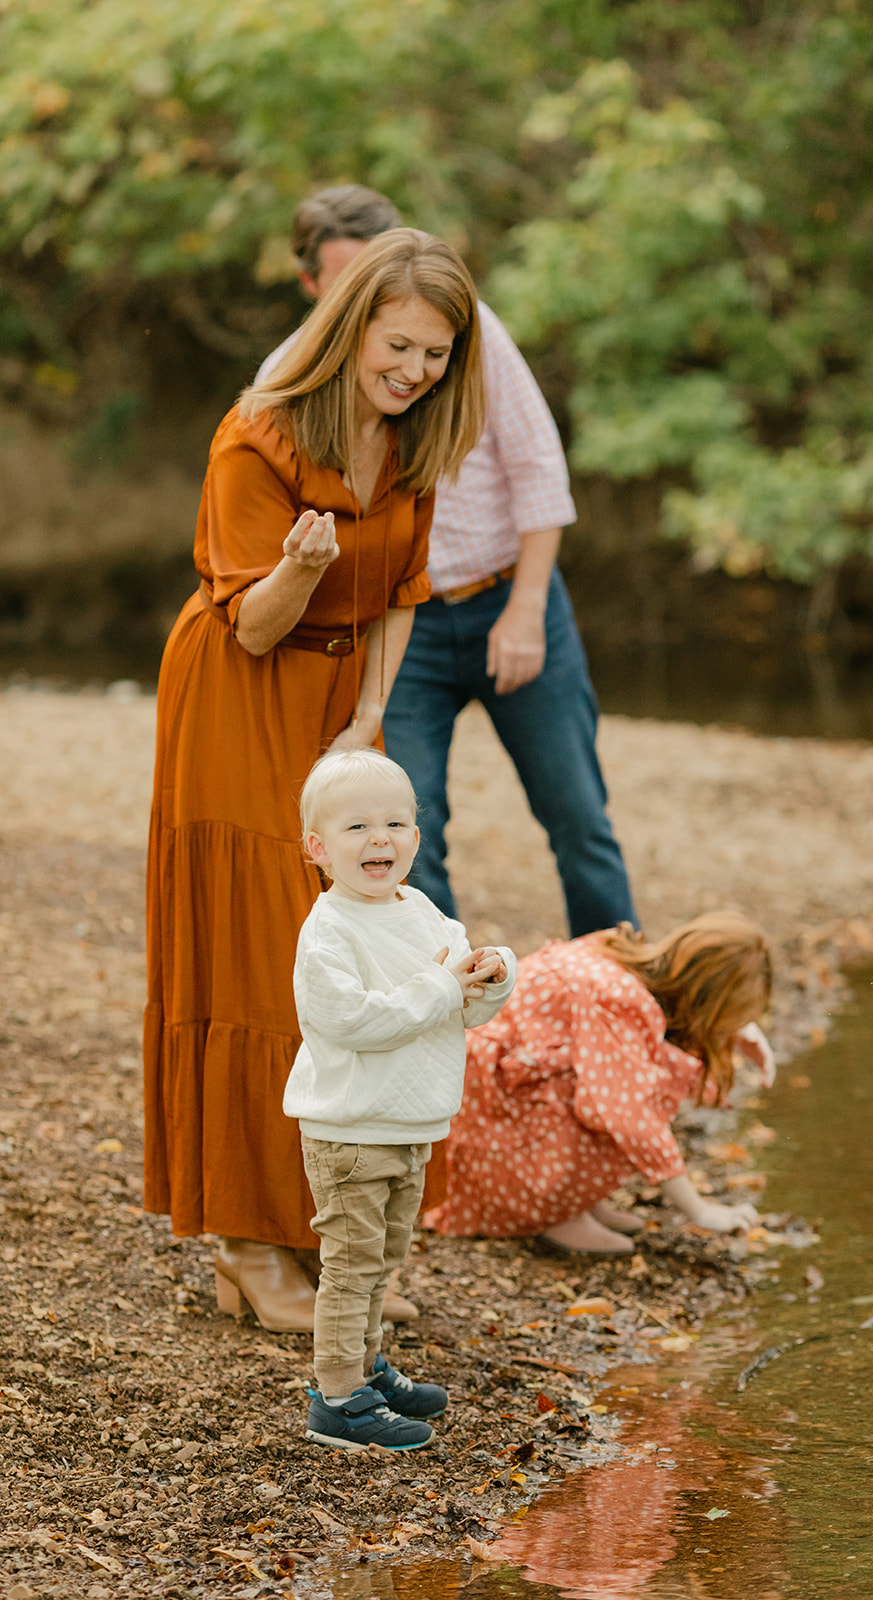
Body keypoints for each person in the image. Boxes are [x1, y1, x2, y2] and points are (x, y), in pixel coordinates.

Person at [143, 228, 485, 1336]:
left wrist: (370, 723)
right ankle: (246, 1243)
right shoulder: (258, 435)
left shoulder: (421, 438)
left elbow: (399, 597)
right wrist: (297, 565)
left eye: (435, 353)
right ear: (349, 331)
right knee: (259, 959)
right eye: (399, 346)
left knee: (354, 936)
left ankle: (309, 1225)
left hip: (341, 708)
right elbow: (249, 625)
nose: (415, 370)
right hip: (241, 700)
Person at [258, 184, 636, 940]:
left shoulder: (465, 333)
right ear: (314, 287)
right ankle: (450, 1005)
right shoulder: (291, 375)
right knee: (404, 827)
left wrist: (527, 610)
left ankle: (625, 996)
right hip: (404, 627)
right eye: (349, 280)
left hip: (509, 596)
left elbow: (537, 469)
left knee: (578, 818)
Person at [283, 748, 516, 1451]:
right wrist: (445, 986)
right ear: (318, 849)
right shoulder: (328, 932)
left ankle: (365, 1365)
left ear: (417, 836)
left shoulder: (422, 913)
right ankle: (338, 1399)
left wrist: (489, 977)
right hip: (350, 1129)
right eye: (356, 827)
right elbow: (355, 1021)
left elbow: (459, 1008)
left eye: (394, 823)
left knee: (383, 1259)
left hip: (409, 1121)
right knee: (351, 1263)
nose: (378, 838)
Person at [424, 914, 776, 1253]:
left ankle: (578, 1200)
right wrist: (698, 1209)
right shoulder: (620, 997)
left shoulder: (617, 948)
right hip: (485, 1104)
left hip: (486, 1077)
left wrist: (740, 1029)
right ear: (710, 1002)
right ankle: (551, 1210)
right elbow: (628, 1113)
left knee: (617, 1079)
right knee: (617, 1095)